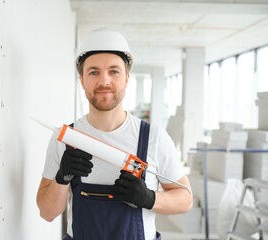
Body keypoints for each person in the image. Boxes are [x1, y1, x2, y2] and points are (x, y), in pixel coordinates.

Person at [36, 28, 193, 240]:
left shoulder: (154, 138)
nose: (104, 81)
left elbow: (186, 199)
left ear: (127, 78)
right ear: (81, 80)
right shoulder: (65, 139)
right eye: (93, 72)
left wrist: (149, 198)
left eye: (114, 71)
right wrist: (61, 178)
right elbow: (47, 212)